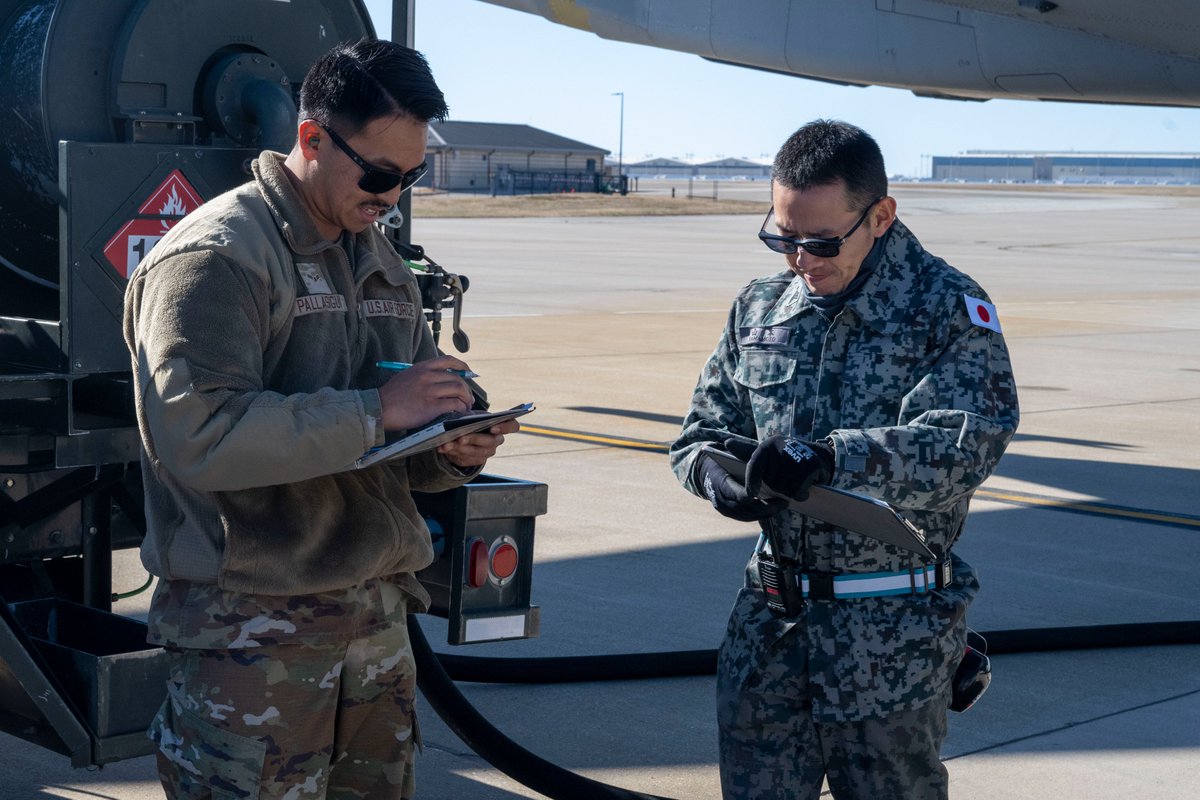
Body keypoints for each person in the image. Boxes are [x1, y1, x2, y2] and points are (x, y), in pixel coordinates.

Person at [123, 39, 518, 799]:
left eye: (411, 177)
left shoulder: (378, 257)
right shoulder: (216, 259)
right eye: (378, 175)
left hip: (373, 624)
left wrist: (454, 444)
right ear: (311, 140)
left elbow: (405, 435)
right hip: (253, 631)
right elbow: (198, 437)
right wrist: (376, 412)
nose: (393, 196)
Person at [670, 120, 1019, 799]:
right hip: (768, 636)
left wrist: (832, 458)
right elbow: (699, 433)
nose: (801, 258)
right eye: (783, 237)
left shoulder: (944, 307)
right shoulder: (761, 307)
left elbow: (963, 443)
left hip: (888, 645)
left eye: (822, 241)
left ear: (881, 216)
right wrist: (716, 477)